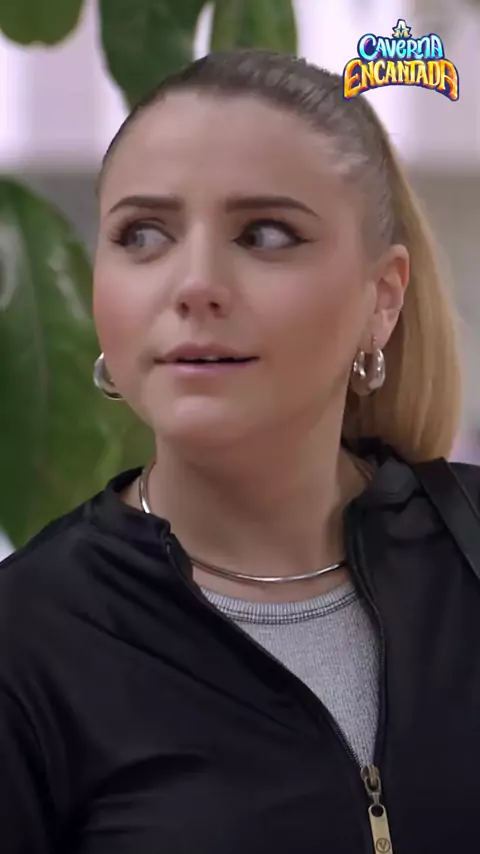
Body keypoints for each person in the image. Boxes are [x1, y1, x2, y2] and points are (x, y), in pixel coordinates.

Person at [1, 47, 479, 854]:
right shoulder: (26, 640)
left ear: (381, 298)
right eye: (143, 234)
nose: (194, 284)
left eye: (264, 233)